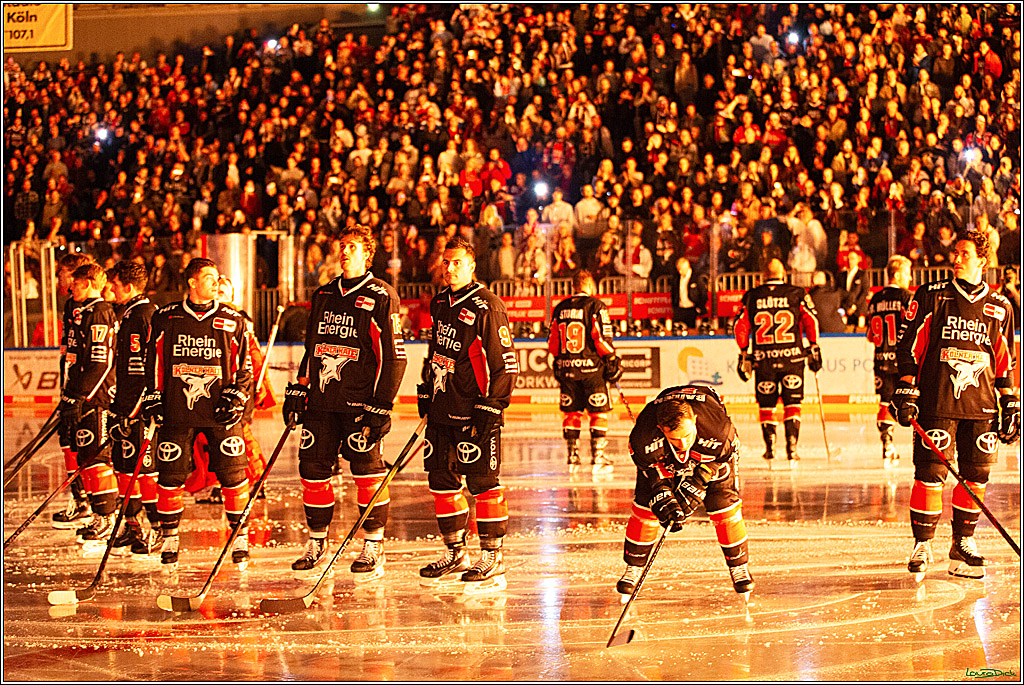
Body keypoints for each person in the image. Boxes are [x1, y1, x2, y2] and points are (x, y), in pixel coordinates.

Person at [891, 229, 1018, 580]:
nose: (956, 259)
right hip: (937, 401)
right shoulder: (932, 295)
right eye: (956, 253)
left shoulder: (1001, 306)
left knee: (976, 475)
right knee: (930, 473)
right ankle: (923, 543)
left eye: (964, 253)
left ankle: (963, 542)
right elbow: (910, 346)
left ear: (982, 260)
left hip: (981, 407)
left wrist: (1010, 400)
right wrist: (905, 386)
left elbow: (1004, 360)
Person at [282, 225, 407, 580]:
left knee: (367, 473)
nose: (345, 251)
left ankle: (374, 543)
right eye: (342, 246)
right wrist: (300, 388)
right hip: (322, 403)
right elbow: (312, 348)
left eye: (352, 246)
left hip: (359, 405)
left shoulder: (382, 295)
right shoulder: (323, 294)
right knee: (313, 470)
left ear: (368, 254)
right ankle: (317, 541)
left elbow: (394, 358)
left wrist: (381, 405)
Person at [416, 235, 519, 592]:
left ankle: (493, 557)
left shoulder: (487, 305)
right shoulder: (440, 302)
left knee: (482, 484)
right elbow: (435, 350)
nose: (450, 268)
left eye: (457, 262)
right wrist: (426, 387)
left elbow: (505, 362)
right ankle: (455, 552)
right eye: (446, 261)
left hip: (474, 410)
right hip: (443, 408)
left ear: (472, 266)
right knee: (441, 481)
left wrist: (493, 404)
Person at [140, 257, 253, 568]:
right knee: (170, 475)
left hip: (221, 413)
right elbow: (153, 362)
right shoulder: (166, 317)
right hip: (178, 410)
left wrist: (236, 397)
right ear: (191, 282)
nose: (215, 282)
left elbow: (245, 366)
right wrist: (152, 397)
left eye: (217, 276)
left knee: (233, 474)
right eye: (208, 277)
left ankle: (239, 536)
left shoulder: (233, 318)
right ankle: (171, 537)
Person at [617, 385, 753, 599]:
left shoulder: (720, 431)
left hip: (713, 457)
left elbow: (720, 459)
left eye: (687, 436)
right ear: (661, 429)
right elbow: (655, 478)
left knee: (723, 504)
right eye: (675, 439)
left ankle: (739, 566)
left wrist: (697, 483)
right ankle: (633, 568)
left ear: (695, 421)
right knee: (646, 507)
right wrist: (663, 496)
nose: (683, 444)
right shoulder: (643, 438)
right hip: (662, 458)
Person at [734, 259, 822, 465]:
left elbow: (740, 326)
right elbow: (811, 321)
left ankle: (770, 448)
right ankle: (792, 447)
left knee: (766, 405)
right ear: (784, 273)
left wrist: (743, 353)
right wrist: (814, 346)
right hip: (793, 357)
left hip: (763, 359)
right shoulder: (797, 293)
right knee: (793, 403)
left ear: (764, 274)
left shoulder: (751, 296)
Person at [56, 263, 119, 543]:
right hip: (82, 393)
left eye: (77, 283)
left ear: (91, 282)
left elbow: (101, 363)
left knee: (96, 456)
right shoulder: (80, 310)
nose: (72, 287)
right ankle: (95, 512)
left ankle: (107, 517)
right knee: (84, 455)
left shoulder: (100, 312)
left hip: (98, 397)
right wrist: (69, 393)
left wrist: (80, 395)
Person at [105, 260, 161, 555]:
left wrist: (132, 411)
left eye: (114, 284)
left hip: (139, 410)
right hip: (124, 405)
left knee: (144, 469)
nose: (110, 289)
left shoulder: (143, 315)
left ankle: (155, 529)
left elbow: (146, 371)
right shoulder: (127, 315)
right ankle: (133, 524)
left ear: (127, 287)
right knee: (124, 466)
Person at [548, 270, 622, 473]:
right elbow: (600, 338)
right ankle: (598, 458)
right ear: (590, 285)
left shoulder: (560, 308)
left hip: (567, 369)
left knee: (571, 412)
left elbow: (553, 341)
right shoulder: (596, 306)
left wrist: (558, 360)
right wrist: (611, 358)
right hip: (592, 369)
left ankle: (573, 457)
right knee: (598, 412)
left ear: (574, 287)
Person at [51, 253, 98, 529]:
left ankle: (97, 504)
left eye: (63, 273)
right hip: (71, 381)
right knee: (67, 439)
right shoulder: (71, 305)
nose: (60, 279)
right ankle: (80, 498)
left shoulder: (98, 308)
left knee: (89, 445)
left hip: (91, 390)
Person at [865, 256, 913, 468]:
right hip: (903, 360)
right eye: (907, 272)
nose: (910, 277)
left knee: (885, 401)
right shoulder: (907, 297)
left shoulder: (875, 299)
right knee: (915, 400)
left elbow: (869, 335)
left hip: (880, 359)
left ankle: (887, 446)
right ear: (897, 274)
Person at [838, 250, 869, 328]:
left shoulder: (863, 274)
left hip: (859, 308)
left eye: (852, 258)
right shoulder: (842, 275)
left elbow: (864, 292)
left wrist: (854, 306)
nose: (850, 261)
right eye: (848, 259)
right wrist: (846, 307)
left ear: (857, 260)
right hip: (845, 308)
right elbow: (839, 292)